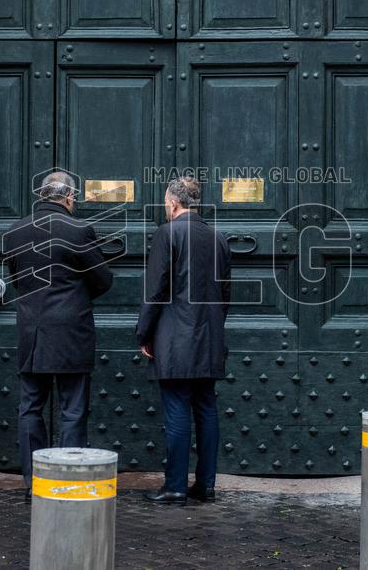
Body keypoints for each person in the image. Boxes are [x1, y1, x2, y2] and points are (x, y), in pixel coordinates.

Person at [5, 172, 114, 493]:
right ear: (69, 198)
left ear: (41, 195)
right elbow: (103, 279)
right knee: (73, 409)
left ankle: (32, 481)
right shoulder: (77, 229)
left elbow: (16, 277)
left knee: (30, 407)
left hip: (31, 331)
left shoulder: (15, 231)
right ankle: (66, 477)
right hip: (71, 332)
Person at [137, 177, 232, 505]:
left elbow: (156, 290)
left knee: (177, 409)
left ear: (174, 203)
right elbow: (225, 294)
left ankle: (175, 485)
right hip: (209, 340)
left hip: (175, 340)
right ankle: (205, 485)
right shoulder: (217, 238)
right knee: (206, 410)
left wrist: (144, 333)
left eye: (166, 202)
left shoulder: (168, 234)